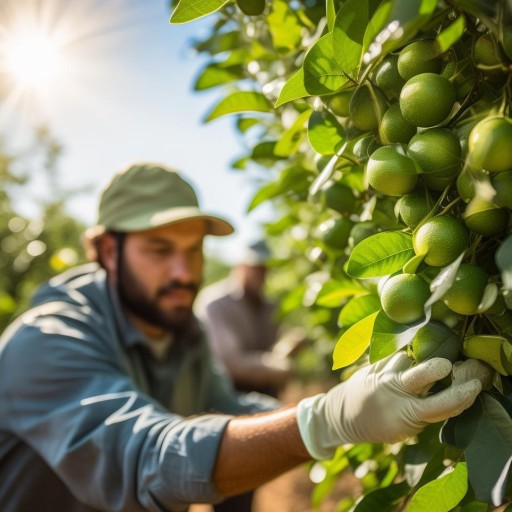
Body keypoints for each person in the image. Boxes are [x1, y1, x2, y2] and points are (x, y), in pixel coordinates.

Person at [0, 162, 490, 512]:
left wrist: (355, 397)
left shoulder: (182, 332)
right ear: (108, 250)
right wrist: (327, 421)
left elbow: (227, 408)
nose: (183, 271)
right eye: (159, 249)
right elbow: (146, 458)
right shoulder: (47, 342)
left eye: (194, 251)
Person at [196, 240, 303, 398]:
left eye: (264, 268)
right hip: (228, 402)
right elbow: (230, 363)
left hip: (266, 398)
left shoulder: (269, 306)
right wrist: (277, 365)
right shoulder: (216, 304)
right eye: (255, 268)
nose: (261, 274)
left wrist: (289, 343)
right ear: (241, 267)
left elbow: (281, 338)